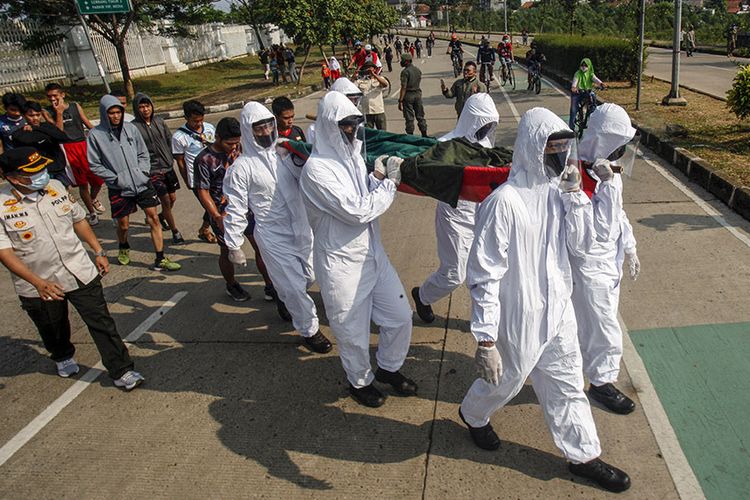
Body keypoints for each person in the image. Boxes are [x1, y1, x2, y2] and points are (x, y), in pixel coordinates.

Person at [457, 107, 631, 493]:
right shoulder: (504, 203)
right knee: (508, 383)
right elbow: (484, 273)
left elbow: (584, 248)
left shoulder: (559, 193)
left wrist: (578, 199)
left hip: (558, 308)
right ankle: (473, 413)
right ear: (533, 147)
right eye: (551, 146)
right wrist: (485, 338)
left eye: (564, 147)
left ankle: (583, 455)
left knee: (567, 381)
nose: (559, 155)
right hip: (519, 313)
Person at [300, 91, 417, 408]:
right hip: (342, 265)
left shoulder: (351, 157)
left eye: (355, 124)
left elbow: (363, 191)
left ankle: (389, 367)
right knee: (352, 332)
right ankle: (360, 381)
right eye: (346, 126)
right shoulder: (317, 170)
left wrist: (376, 175)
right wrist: (389, 184)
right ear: (328, 127)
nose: (352, 132)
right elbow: (357, 211)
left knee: (400, 317)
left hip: (373, 255)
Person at [0, 147, 144, 390]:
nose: (42, 175)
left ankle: (122, 370)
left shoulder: (56, 187)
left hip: (79, 269)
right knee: (52, 326)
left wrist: (98, 250)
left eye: (42, 169)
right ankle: (62, 354)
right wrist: (38, 283)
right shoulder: (3, 206)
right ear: (12, 177)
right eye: (33, 173)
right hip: (38, 282)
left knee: (101, 321)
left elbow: (78, 220)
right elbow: (4, 252)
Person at [223, 102, 332, 353]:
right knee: (293, 286)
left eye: (269, 125)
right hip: (273, 235)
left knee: (309, 276)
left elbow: (309, 174)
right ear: (249, 131)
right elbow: (236, 207)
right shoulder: (242, 168)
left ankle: (286, 299)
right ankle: (309, 330)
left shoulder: (284, 153)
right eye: (259, 128)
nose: (266, 132)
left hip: (302, 227)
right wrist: (233, 243)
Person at [573, 103, 641, 415]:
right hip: (588, 266)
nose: (622, 152)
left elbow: (619, 217)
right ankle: (601, 383)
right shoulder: (574, 174)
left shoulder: (610, 173)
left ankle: (586, 371)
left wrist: (630, 246)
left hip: (608, 263)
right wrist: (605, 187)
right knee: (603, 327)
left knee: (594, 323)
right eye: (618, 145)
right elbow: (589, 232)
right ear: (604, 141)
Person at [412, 93, 498, 324]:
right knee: (454, 275)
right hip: (455, 216)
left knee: (488, 272)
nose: (487, 129)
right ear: (471, 119)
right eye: (483, 123)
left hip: (482, 215)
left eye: (490, 124)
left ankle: (486, 322)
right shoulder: (444, 147)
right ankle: (422, 296)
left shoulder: (488, 146)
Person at [87, 95, 182, 272]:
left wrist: (143, 172)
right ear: (104, 114)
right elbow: (94, 164)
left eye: (118, 112)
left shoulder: (130, 129)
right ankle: (123, 245)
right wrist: (115, 179)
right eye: (111, 113)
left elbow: (143, 153)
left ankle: (160, 257)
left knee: (153, 217)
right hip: (119, 187)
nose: (115, 116)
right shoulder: (95, 135)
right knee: (123, 225)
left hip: (142, 182)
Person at [44, 83, 104, 226]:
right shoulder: (47, 112)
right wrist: (58, 112)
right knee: (82, 183)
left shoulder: (75, 106)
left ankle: (93, 198)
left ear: (62, 95)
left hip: (83, 145)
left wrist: (102, 136)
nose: (52, 99)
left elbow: (87, 124)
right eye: (49, 97)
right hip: (67, 148)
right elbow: (58, 132)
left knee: (98, 179)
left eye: (55, 96)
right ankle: (92, 212)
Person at [132, 93, 185, 245]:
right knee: (166, 200)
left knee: (172, 198)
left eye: (147, 106)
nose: (145, 109)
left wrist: (173, 158)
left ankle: (163, 216)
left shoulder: (159, 121)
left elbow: (169, 140)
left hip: (167, 167)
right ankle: (175, 231)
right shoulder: (134, 127)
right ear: (136, 109)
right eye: (141, 107)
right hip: (153, 170)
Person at [172, 99, 217, 243]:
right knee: (211, 206)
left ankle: (204, 228)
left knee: (216, 203)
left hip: (215, 173)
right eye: (194, 121)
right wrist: (187, 181)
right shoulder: (179, 137)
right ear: (186, 118)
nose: (198, 123)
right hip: (197, 179)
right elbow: (180, 161)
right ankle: (210, 230)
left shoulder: (209, 128)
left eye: (201, 120)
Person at [11, 101, 72, 187]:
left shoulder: (48, 126)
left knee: (65, 193)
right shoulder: (19, 134)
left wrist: (37, 128)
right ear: (24, 116)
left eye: (38, 115)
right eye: (31, 116)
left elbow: (63, 137)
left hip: (59, 167)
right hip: (40, 173)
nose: (35, 118)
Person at [569, 58, 605, 130]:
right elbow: (574, 83)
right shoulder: (577, 73)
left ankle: (591, 113)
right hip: (577, 93)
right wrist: (574, 88)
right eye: (582, 65)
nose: (583, 66)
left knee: (593, 97)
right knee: (573, 110)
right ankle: (571, 128)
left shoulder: (591, 74)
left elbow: (596, 80)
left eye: (586, 65)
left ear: (589, 66)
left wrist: (601, 84)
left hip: (587, 92)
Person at [398, 53, 428, 137]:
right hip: (418, 95)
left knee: (409, 118)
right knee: (420, 116)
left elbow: (404, 87)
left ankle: (410, 136)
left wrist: (400, 100)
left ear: (406, 61)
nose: (401, 62)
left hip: (408, 96)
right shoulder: (417, 70)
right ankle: (424, 134)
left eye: (402, 60)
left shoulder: (405, 72)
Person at [356, 62, 390, 131]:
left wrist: (374, 75)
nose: (368, 70)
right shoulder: (361, 81)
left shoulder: (379, 78)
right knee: (369, 133)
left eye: (370, 68)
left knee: (382, 132)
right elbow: (351, 87)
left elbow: (385, 84)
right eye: (366, 68)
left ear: (374, 69)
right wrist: (355, 75)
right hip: (367, 111)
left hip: (378, 110)